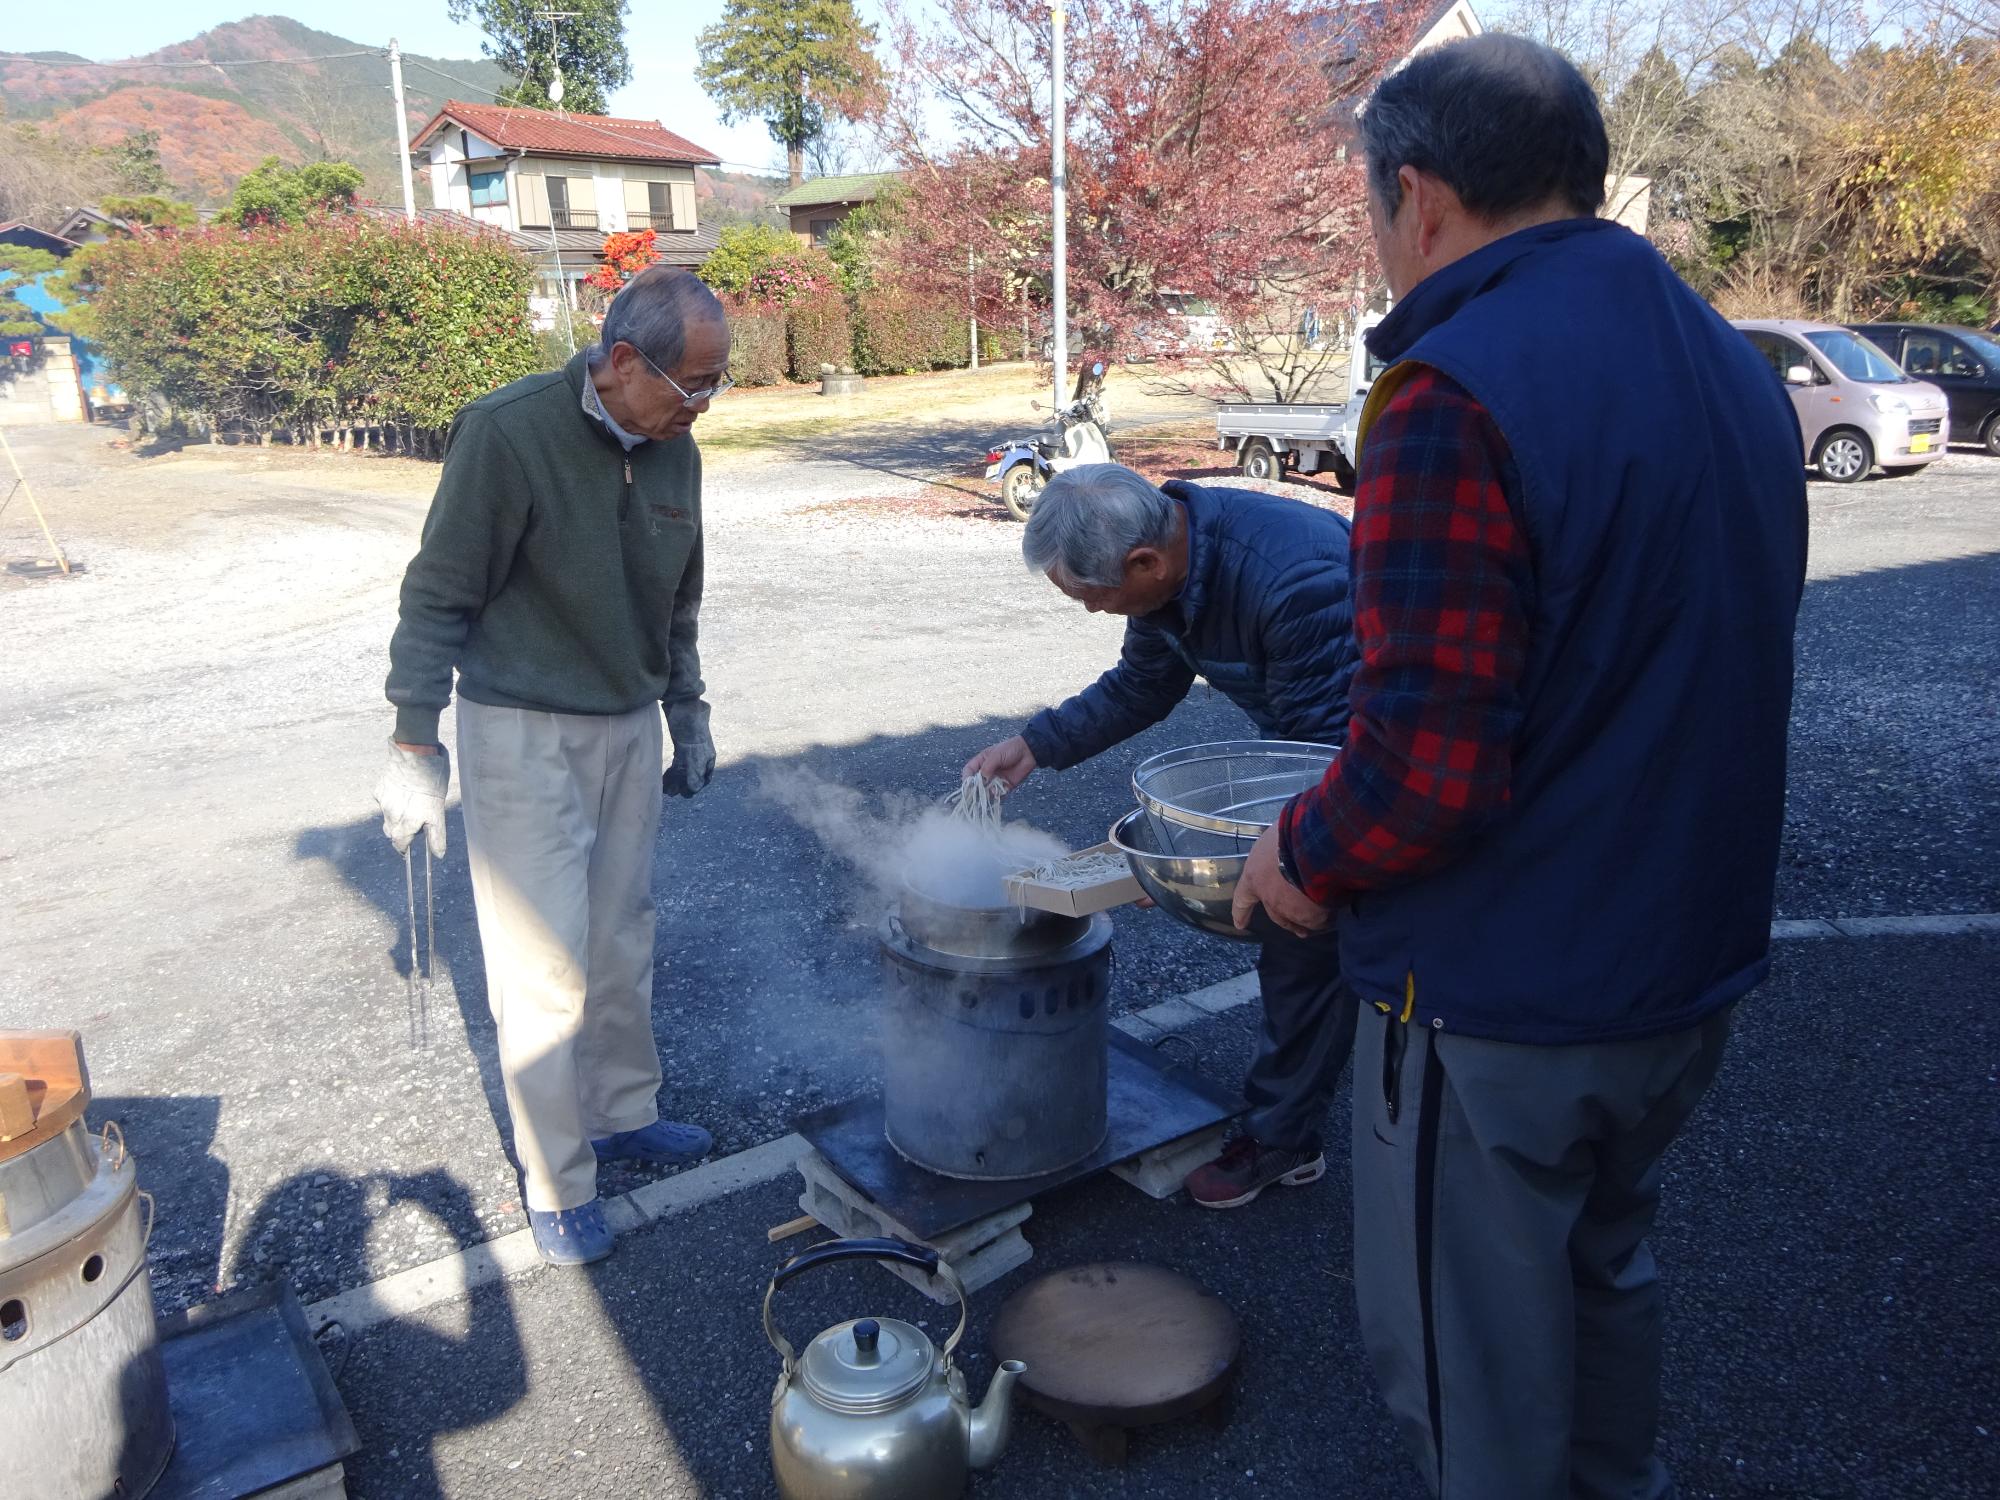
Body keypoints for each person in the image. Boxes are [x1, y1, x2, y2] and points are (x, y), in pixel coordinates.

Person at [1231, 35, 1808, 1499]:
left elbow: (1426, 767)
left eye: (1371, 211)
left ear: (1414, 195)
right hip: (1681, 971)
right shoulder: (1730, 368)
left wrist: (1296, 858)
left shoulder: (1451, 393)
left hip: (1503, 1004)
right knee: (1604, 1291)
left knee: (1471, 1383)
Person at [373, 267, 731, 1267]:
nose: (701, 407)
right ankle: (558, 1181)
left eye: (716, 386)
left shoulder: (674, 450)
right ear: (622, 362)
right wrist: (413, 738)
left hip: (624, 724)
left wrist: (687, 713)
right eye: (691, 385)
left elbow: (679, 600)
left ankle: (621, 1114)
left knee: (620, 939)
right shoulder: (508, 431)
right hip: (520, 727)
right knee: (544, 967)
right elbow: (436, 592)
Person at [965, 462, 1360, 1209]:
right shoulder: (1167, 570)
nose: (1089, 611)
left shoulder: (1294, 580)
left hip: (1368, 753)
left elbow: (1328, 755)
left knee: (1302, 932)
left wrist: (1209, 866)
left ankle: (1284, 1141)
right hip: (1317, 745)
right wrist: (1036, 745)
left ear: (1143, 563)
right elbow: (1144, 685)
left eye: (1090, 596)